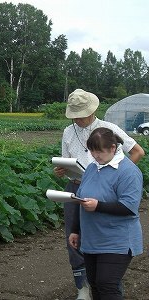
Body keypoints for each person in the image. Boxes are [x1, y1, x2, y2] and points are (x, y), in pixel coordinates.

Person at [54, 89, 144, 300]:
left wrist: (116, 175)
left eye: (81, 113)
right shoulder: (68, 131)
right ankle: (83, 288)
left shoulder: (108, 129)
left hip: (107, 191)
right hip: (78, 186)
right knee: (76, 238)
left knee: (107, 276)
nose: (77, 118)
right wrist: (61, 170)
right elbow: (66, 160)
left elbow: (137, 151)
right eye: (74, 114)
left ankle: (110, 287)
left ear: (92, 111)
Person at [69, 127, 143, 300]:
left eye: (99, 151)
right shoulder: (92, 169)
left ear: (112, 148)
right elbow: (80, 200)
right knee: (95, 283)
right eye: (92, 151)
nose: (95, 155)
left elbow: (129, 207)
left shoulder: (128, 172)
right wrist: (75, 230)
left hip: (118, 241)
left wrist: (98, 206)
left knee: (107, 284)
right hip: (92, 238)